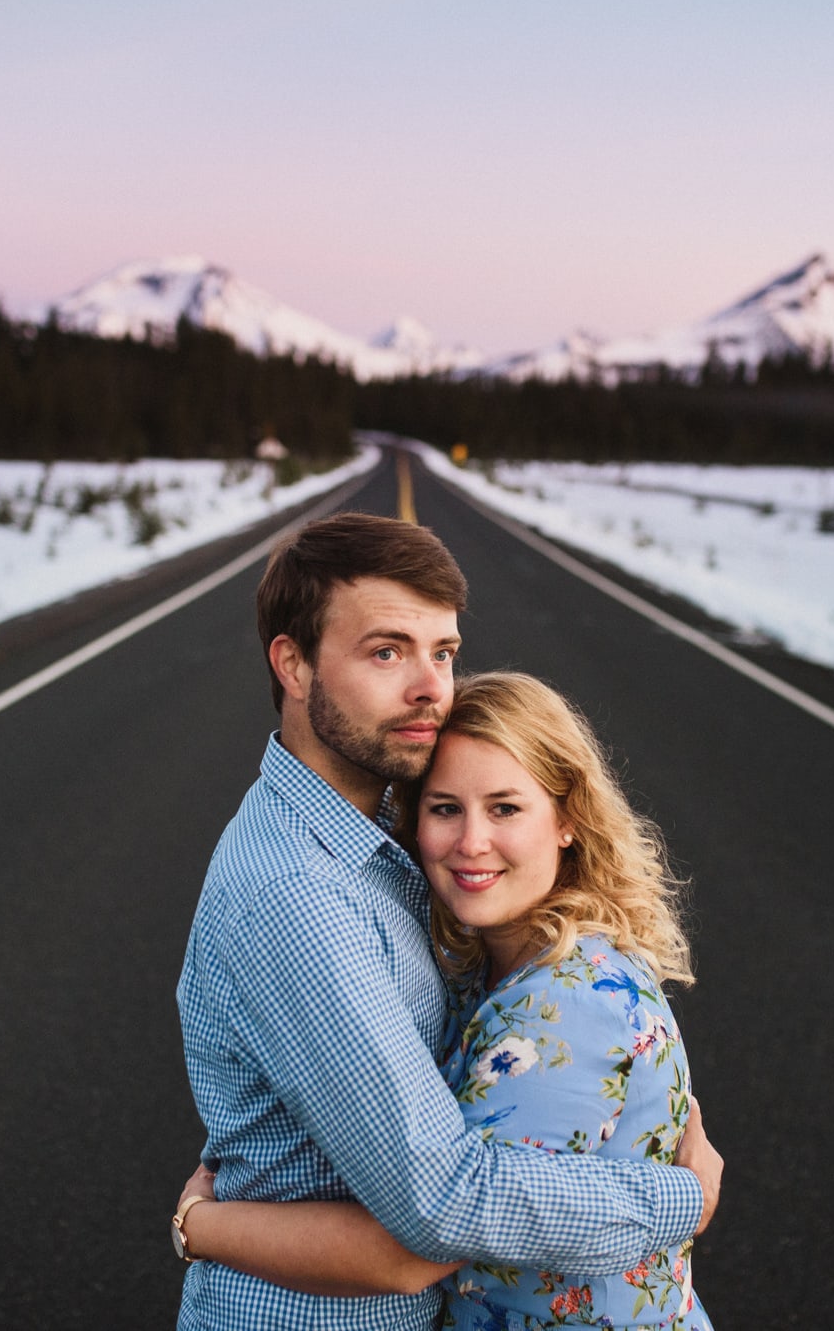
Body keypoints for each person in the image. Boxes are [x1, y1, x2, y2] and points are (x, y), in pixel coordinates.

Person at [176, 514, 721, 1330]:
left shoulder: (372, 832)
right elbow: (440, 1205)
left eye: (445, 651)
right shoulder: (300, 896)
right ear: (292, 663)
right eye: (387, 651)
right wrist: (684, 1197)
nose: (432, 686)